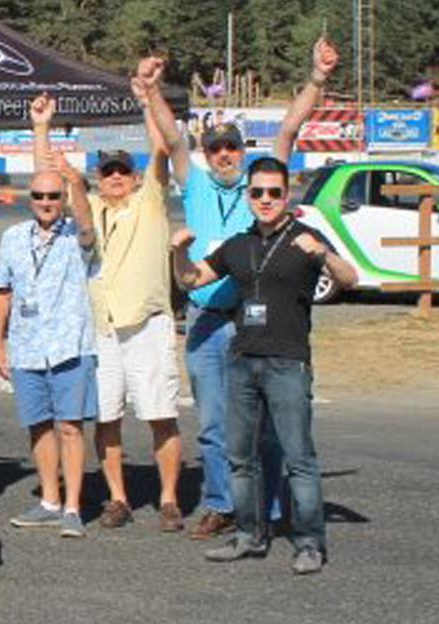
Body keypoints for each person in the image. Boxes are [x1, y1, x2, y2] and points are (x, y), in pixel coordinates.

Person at [135, 40, 339, 540]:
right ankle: (221, 504)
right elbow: (172, 139)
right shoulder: (196, 183)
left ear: (243, 153)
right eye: (216, 148)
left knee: (266, 426)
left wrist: (316, 78)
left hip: (254, 320)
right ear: (206, 154)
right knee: (213, 425)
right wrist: (153, 90)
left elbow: (288, 129)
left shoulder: (260, 185)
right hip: (207, 321)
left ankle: (270, 507)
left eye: (232, 147)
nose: (224, 154)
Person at [170, 156, 358, 575]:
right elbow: (191, 280)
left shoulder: (305, 238)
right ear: (248, 196)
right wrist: (179, 252)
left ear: (286, 195)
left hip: (288, 363)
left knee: (298, 457)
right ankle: (248, 534)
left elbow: (350, 279)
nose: (266, 199)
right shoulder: (239, 244)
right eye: (257, 192)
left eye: (274, 192)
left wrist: (324, 254)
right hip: (242, 361)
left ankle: (309, 544)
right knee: (240, 456)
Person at [37, 66, 182, 532]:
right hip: (101, 329)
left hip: (147, 324)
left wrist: (146, 97)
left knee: (160, 414)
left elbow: (162, 147)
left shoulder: (151, 200)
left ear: (136, 177)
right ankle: (118, 497)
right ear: (99, 178)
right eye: (108, 171)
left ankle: (169, 499)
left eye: (122, 170)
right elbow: (49, 179)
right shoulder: (89, 206)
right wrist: (41, 128)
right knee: (107, 419)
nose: (116, 176)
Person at [0, 94, 101, 539]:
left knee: (70, 427)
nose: (46, 201)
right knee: (38, 426)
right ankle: (50, 500)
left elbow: (88, 224)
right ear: (29, 198)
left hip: (70, 345)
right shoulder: (14, 237)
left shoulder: (76, 235)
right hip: (26, 346)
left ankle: (73, 507)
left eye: (54, 196)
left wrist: (75, 185)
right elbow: (2, 293)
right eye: (38, 196)